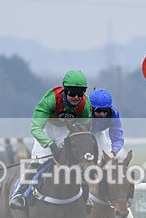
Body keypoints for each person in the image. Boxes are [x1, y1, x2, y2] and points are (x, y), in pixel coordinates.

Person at [9, 70, 93, 209]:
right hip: (46, 129)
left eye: (80, 93)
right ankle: (20, 194)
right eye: (72, 93)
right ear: (65, 90)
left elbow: (84, 128)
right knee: (38, 160)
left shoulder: (85, 104)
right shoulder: (51, 99)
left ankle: (84, 197)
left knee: (77, 160)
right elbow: (35, 127)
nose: (76, 97)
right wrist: (49, 144)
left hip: (66, 130)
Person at [88, 88, 125, 159]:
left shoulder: (113, 114)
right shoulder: (85, 111)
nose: (102, 114)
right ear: (91, 108)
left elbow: (117, 139)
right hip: (78, 132)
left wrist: (112, 153)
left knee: (103, 159)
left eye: (105, 111)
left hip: (98, 132)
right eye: (98, 111)